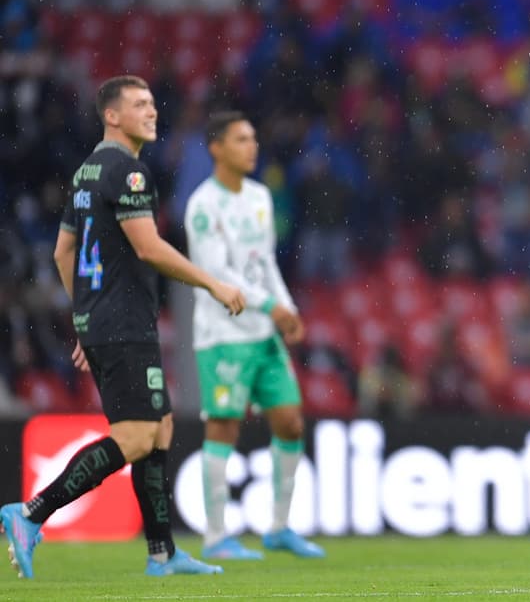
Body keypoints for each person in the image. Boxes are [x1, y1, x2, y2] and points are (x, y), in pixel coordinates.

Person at [1, 75, 246, 580]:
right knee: (135, 437)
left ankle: (162, 553)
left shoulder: (86, 171)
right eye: (139, 105)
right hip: (125, 322)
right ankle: (30, 513)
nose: (152, 111)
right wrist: (213, 284)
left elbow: (63, 252)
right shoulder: (128, 172)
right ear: (111, 116)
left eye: (152, 103)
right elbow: (148, 248)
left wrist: (85, 316)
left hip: (109, 319)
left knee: (160, 428)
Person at [183, 111, 325, 561]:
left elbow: (264, 262)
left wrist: (287, 308)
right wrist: (270, 306)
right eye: (241, 139)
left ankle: (279, 528)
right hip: (223, 332)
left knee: (290, 422)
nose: (252, 147)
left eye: (253, 138)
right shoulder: (203, 205)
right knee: (224, 426)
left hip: (263, 333)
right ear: (216, 148)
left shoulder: (261, 196)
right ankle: (215, 536)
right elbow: (215, 271)